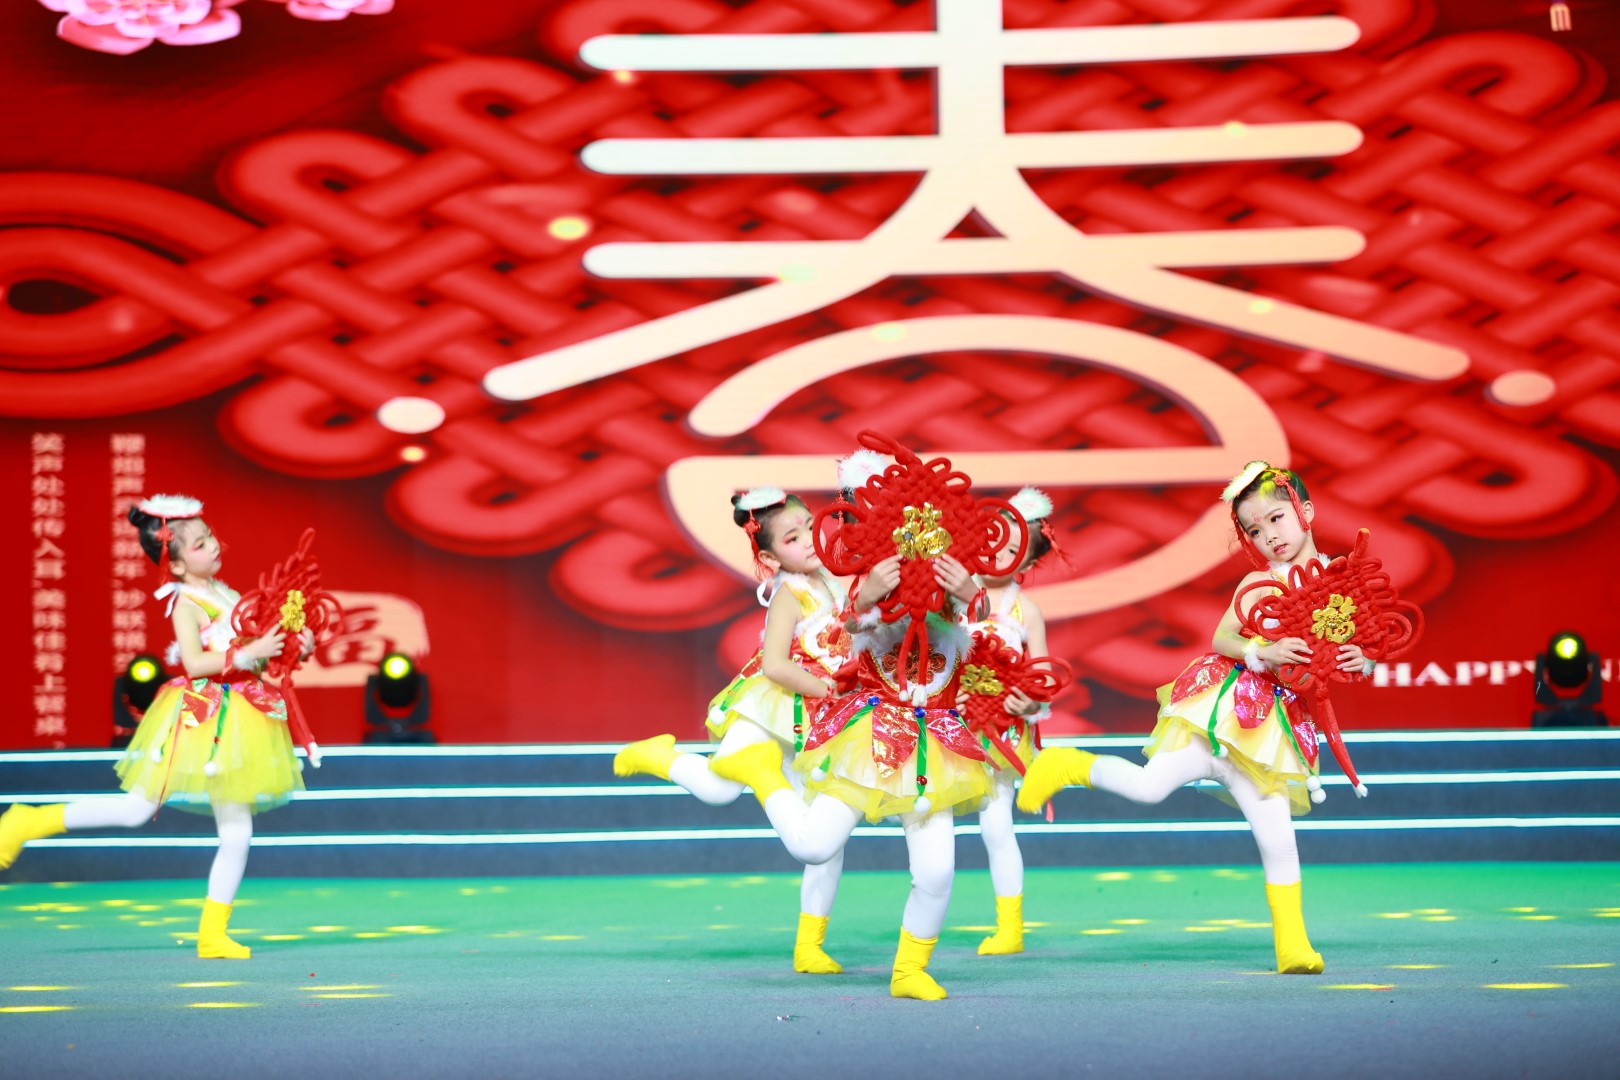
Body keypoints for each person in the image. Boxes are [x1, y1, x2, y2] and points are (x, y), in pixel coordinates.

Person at [1016, 462, 1370, 974]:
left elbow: (1353, 644)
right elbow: (1222, 638)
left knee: (1279, 840)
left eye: (1276, 519)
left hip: (1273, 731)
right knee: (1148, 788)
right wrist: (1263, 651)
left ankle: (1293, 946)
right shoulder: (1259, 582)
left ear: (1306, 513)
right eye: (1254, 530)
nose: (1269, 536)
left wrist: (1361, 659)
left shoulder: (1340, 582)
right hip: (1220, 713)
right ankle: (1067, 765)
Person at [0, 495, 310, 960]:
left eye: (210, 537)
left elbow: (254, 660)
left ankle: (212, 934)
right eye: (200, 544)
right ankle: (28, 821)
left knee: (237, 833)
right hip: (201, 717)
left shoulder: (225, 593)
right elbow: (196, 663)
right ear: (177, 565)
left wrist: (292, 645)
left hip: (236, 716)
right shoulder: (186, 602)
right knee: (136, 810)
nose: (213, 546)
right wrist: (251, 651)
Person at [613, 487, 852, 974]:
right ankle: (660, 755)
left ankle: (810, 945)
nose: (809, 541)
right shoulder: (789, 595)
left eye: (811, 528)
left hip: (818, 718)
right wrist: (826, 688)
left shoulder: (835, 580)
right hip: (771, 708)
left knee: (824, 837)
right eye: (792, 538)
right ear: (770, 557)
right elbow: (775, 665)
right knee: (718, 790)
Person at [965, 486, 1058, 957]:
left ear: (1028, 561)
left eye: (1010, 549)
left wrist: (1029, 702)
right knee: (924, 821)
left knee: (996, 826)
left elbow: (1043, 675)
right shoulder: (954, 597)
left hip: (998, 731)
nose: (996, 553)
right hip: (946, 723)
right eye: (990, 540)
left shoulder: (1026, 611)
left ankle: (1010, 928)